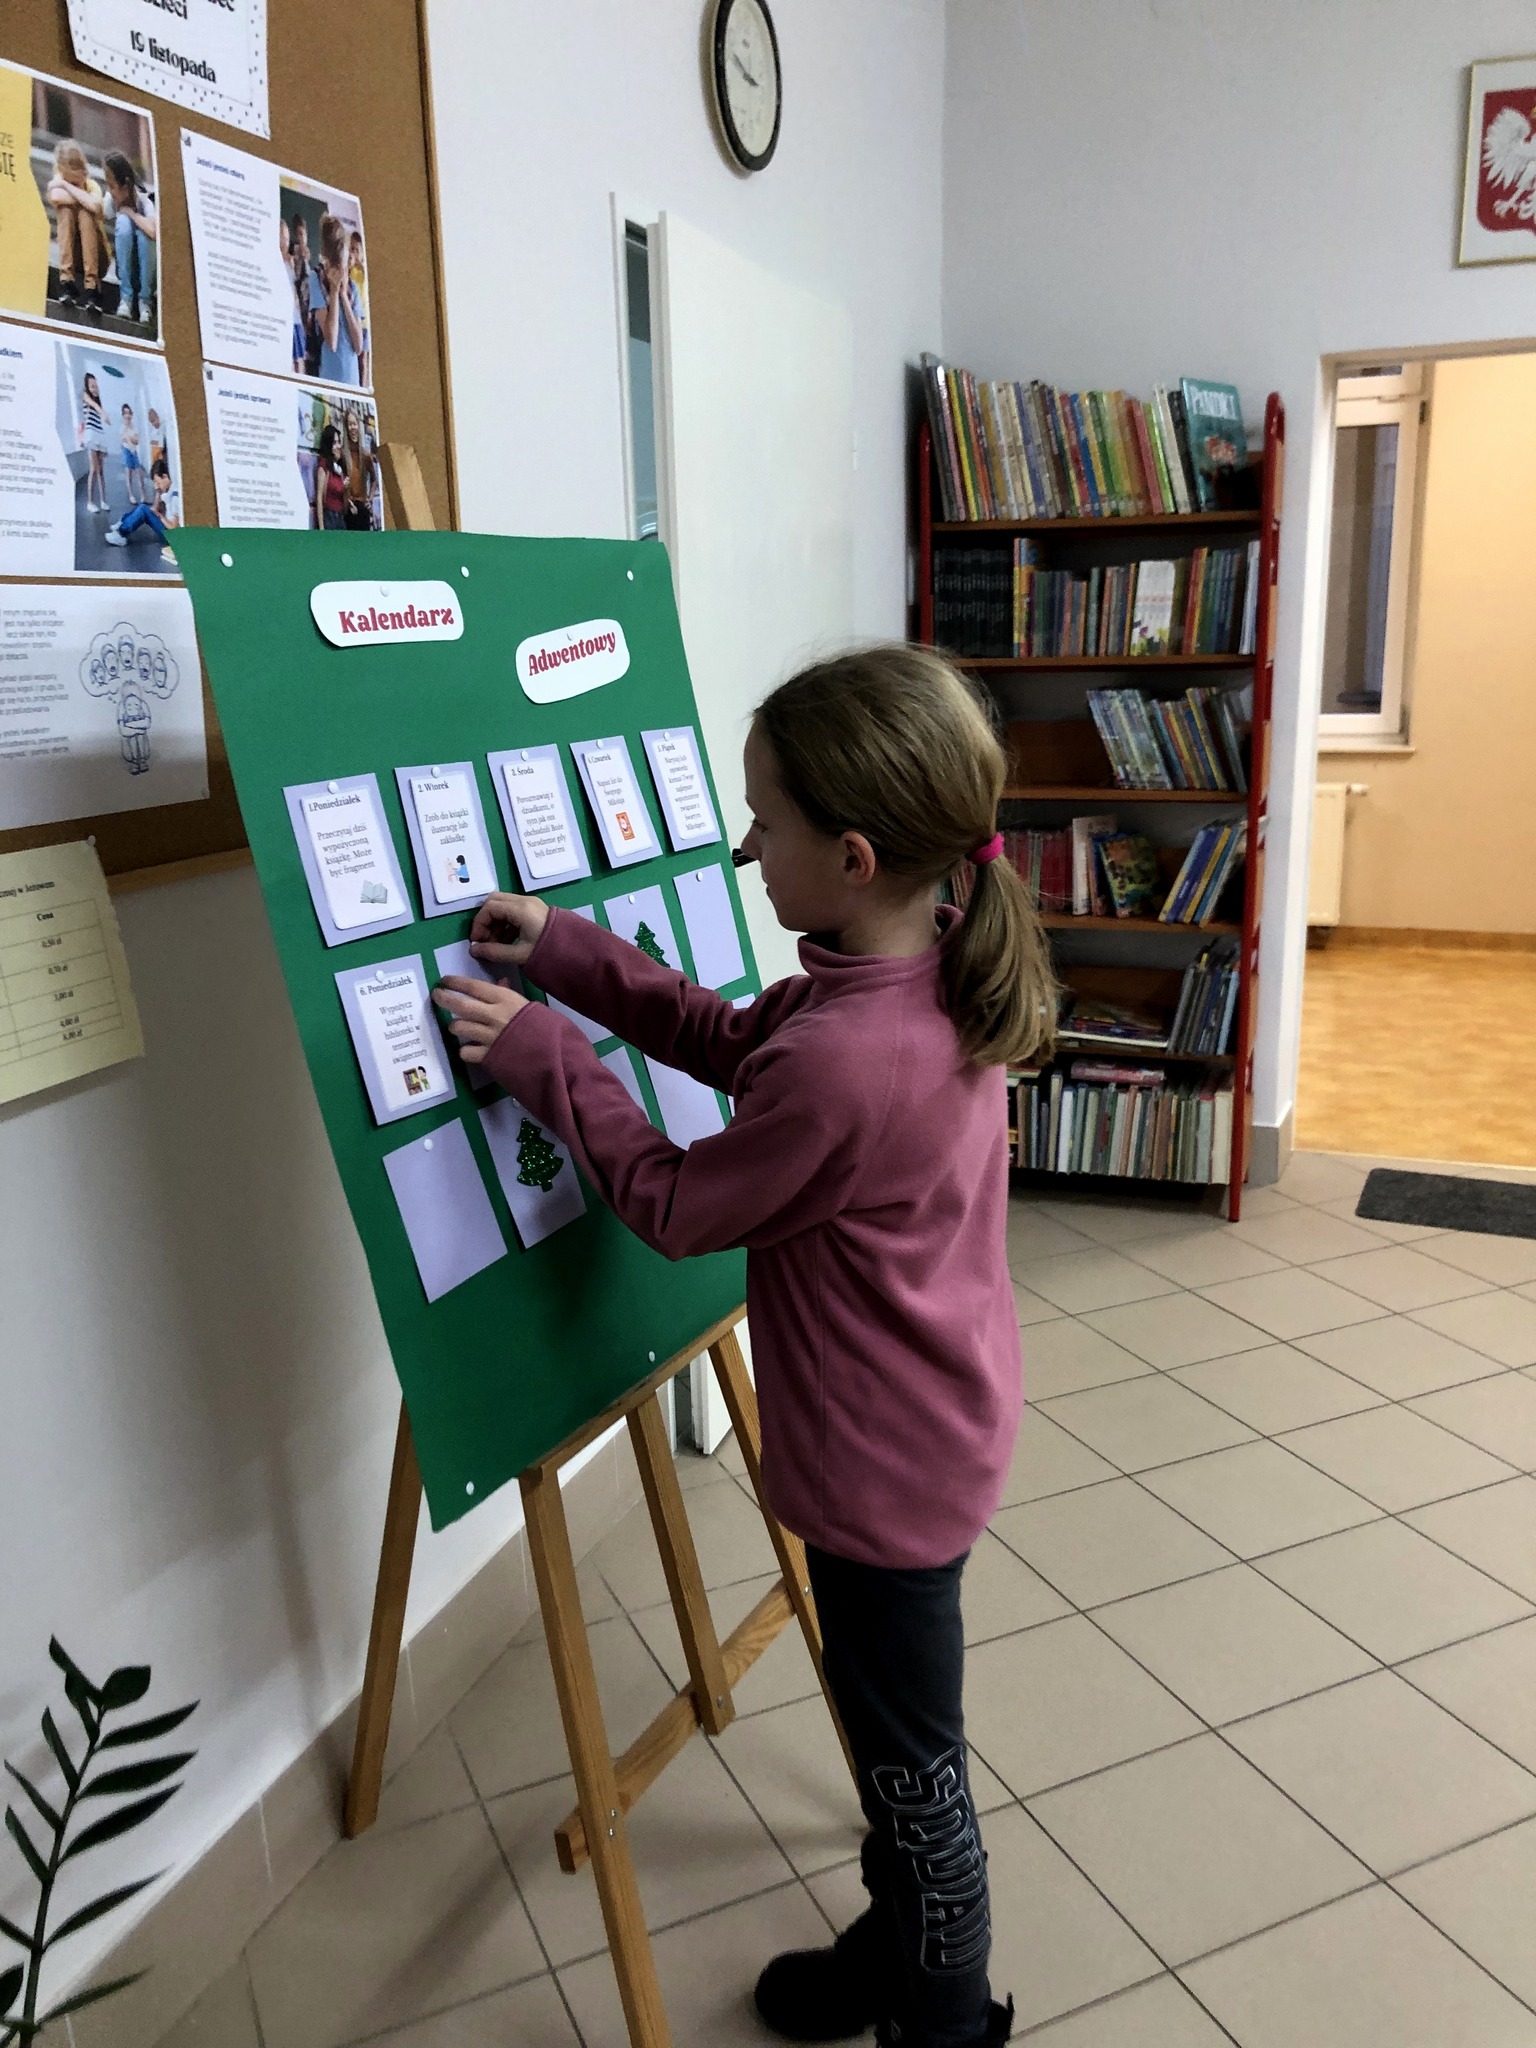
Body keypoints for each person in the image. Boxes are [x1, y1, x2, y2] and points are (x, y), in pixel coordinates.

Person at [435, 646, 1054, 2048]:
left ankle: (947, 2015)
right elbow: (727, 1039)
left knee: (913, 1776)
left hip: (885, 1477)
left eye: (763, 823)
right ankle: (900, 1947)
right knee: (895, 1743)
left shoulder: (853, 1060)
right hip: (928, 1431)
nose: (743, 846)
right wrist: (570, 953)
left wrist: (548, 1057)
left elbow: (675, 1203)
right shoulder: (895, 977)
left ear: (850, 856)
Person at [47, 143, 109, 316]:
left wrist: (66, 186)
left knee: (85, 213)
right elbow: (56, 196)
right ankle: (66, 281)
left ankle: (92, 287)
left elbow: (95, 206)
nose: (71, 184)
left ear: (83, 172)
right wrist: (80, 196)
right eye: (68, 181)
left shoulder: (92, 185)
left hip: (97, 258)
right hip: (73, 255)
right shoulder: (58, 181)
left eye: (75, 181)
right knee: (65, 211)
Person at [102, 150, 157, 326]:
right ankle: (126, 298)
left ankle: (144, 301)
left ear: (125, 187)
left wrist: (132, 213)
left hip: (147, 272)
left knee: (143, 235)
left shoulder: (144, 200)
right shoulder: (110, 200)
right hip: (126, 268)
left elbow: (153, 231)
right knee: (123, 222)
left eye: (112, 186)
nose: (110, 191)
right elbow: (100, 213)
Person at [313, 213, 365, 387]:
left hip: (352, 380)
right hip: (329, 378)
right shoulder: (316, 280)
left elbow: (359, 346)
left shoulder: (352, 288)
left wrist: (343, 295)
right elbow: (332, 341)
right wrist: (334, 293)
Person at [104, 453, 180, 566]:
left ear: (165, 476)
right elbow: (155, 508)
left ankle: (121, 533)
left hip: (171, 536)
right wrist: (158, 492)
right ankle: (123, 523)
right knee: (142, 507)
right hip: (167, 528)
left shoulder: (175, 497)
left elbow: (174, 528)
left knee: (144, 509)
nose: (157, 486)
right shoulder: (168, 491)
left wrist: (160, 516)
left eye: (158, 482)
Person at [78, 372, 110, 513]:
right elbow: (94, 406)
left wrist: (102, 413)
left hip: (99, 435)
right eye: (92, 386)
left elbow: (97, 408)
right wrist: (103, 413)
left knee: (101, 471)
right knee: (94, 469)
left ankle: (103, 501)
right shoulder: (85, 396)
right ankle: (90, 502)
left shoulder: (98, 402)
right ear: (87, 387)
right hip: (91, 435)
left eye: (96, 386)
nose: (95, 389)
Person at [342, 407, 378, 529]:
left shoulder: (365, 455)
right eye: (349, 424)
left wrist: (370, 498)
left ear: (358, 426)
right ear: (346, 428)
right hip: (348, 508)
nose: (352, 427)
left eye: (354, 424)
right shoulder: (343, 455)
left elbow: (374, 480)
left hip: (362, 507)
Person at [280, 218, 306, 374]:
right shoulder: (274, 261)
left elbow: (296, 290)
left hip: (295, 318)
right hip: (285, 320)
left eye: (287, 238)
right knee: (289, 359)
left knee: (299, 359)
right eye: (282, 237)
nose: (286, 241)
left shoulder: (290, 261)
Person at [312, 421, 347, 530]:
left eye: (339, 442)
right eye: (334, 443)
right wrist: (321, 527)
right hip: (329, 517)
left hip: (340, 517)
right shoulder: (324, 466)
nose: (338, 446)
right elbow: (319, 497)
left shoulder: (339, 468)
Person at [348, 228, 371, 386]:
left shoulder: (362, 272)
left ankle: (362, 386)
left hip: (364, 322)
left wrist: (361, 264)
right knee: (354, 356)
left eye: (356, 250)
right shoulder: (350, 271)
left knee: (363, 358)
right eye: (351, 249)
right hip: (352, 320)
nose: (353, 254)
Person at [119, 403, 143, 505]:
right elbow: (122, 439)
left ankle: (143, 495)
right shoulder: (122, 427)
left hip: (134, 451)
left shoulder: (134, 427)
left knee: (139, 473)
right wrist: (130, 438)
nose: (128, 415)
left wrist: (129, 438)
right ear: (123, 415)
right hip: (127, 450)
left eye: (129, 413)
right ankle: (131, 495)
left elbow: (137, 440)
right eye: (125, 413)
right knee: (128, 474)